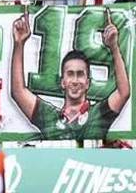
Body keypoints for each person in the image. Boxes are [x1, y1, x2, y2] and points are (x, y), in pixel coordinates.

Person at [11, 9, 129, 140]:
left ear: (88, 83)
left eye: (80, 74)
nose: (75, 80)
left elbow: (123, 92)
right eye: (70, 74)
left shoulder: (98, 114)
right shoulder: (48, 116)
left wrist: (114, 47)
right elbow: (18, 92)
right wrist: (19, 44)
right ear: (62, 82)